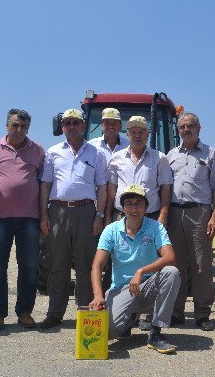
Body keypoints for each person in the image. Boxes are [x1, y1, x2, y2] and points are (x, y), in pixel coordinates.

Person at [90, 184, 180, 354]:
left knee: (171, 272)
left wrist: (141, 271)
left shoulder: (155, 227)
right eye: (129, 203)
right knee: (109, 333)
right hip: (121, 289)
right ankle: (129, 320)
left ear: (146, 208)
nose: (134, 208)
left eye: (139, 203)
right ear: (123, 208)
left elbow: (170, 257)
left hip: (148, 286)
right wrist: (97, 295)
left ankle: (156, 333)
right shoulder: (111, 230)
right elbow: (97, 265)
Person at [39, 109, 107, 328]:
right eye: (67, 123)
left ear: (83, 125)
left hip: (86, 212)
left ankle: (85, 311)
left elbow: (102, 188)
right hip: (57, 212)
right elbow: (46, 185)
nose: (71, 126)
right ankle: (55, 312)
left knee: (85, 264)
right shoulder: (53, 152)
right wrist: (43, 215)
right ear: (62, 127)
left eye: (75, 122)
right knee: (57, 264)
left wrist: (99, 216)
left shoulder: (96, 153)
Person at [106, 115, 173, 330]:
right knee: (121, 263)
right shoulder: (116, 158)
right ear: (127, 134)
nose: (137, 135)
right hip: (121, 215)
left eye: (141, 131)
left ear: (148, 134)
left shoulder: (159, 158)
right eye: (133, 131)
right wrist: (107, 216)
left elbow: (165, 188)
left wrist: (162, 216)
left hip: (151, 216)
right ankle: (125, 308)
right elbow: (111, 191)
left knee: (153, 265)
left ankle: (149, 318)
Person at [0, 109, 45, 330]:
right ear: (7, 125)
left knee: (29, 267)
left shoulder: (38, 150)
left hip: (30, 218)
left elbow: (43, 185)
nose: (19, 130)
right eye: (15, 125)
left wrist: (43, 216)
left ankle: (25, 312)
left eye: (24, 126)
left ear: (28, 128)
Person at [166, 112, 215, 331]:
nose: (186, 130)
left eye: (190, 126)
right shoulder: (171, 155)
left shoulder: (211, 154)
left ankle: (202, 314)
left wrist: (214, 216)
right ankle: (176, 312)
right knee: (175, 265)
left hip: (200, 213)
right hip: (174, 213)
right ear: (178, 130)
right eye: (182, 127)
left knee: (201, 265)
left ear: (199, 128)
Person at [88, 107, 129, 292]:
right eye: (106, 123)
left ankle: (114, 291)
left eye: (114, 123)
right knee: (92, 252)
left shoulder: (130, 145)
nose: (110, 126)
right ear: (101, 125)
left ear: (120, 125)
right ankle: (91, 293)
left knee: (121, 253)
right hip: (93, 207)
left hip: (122, 208)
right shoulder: (91, 146)